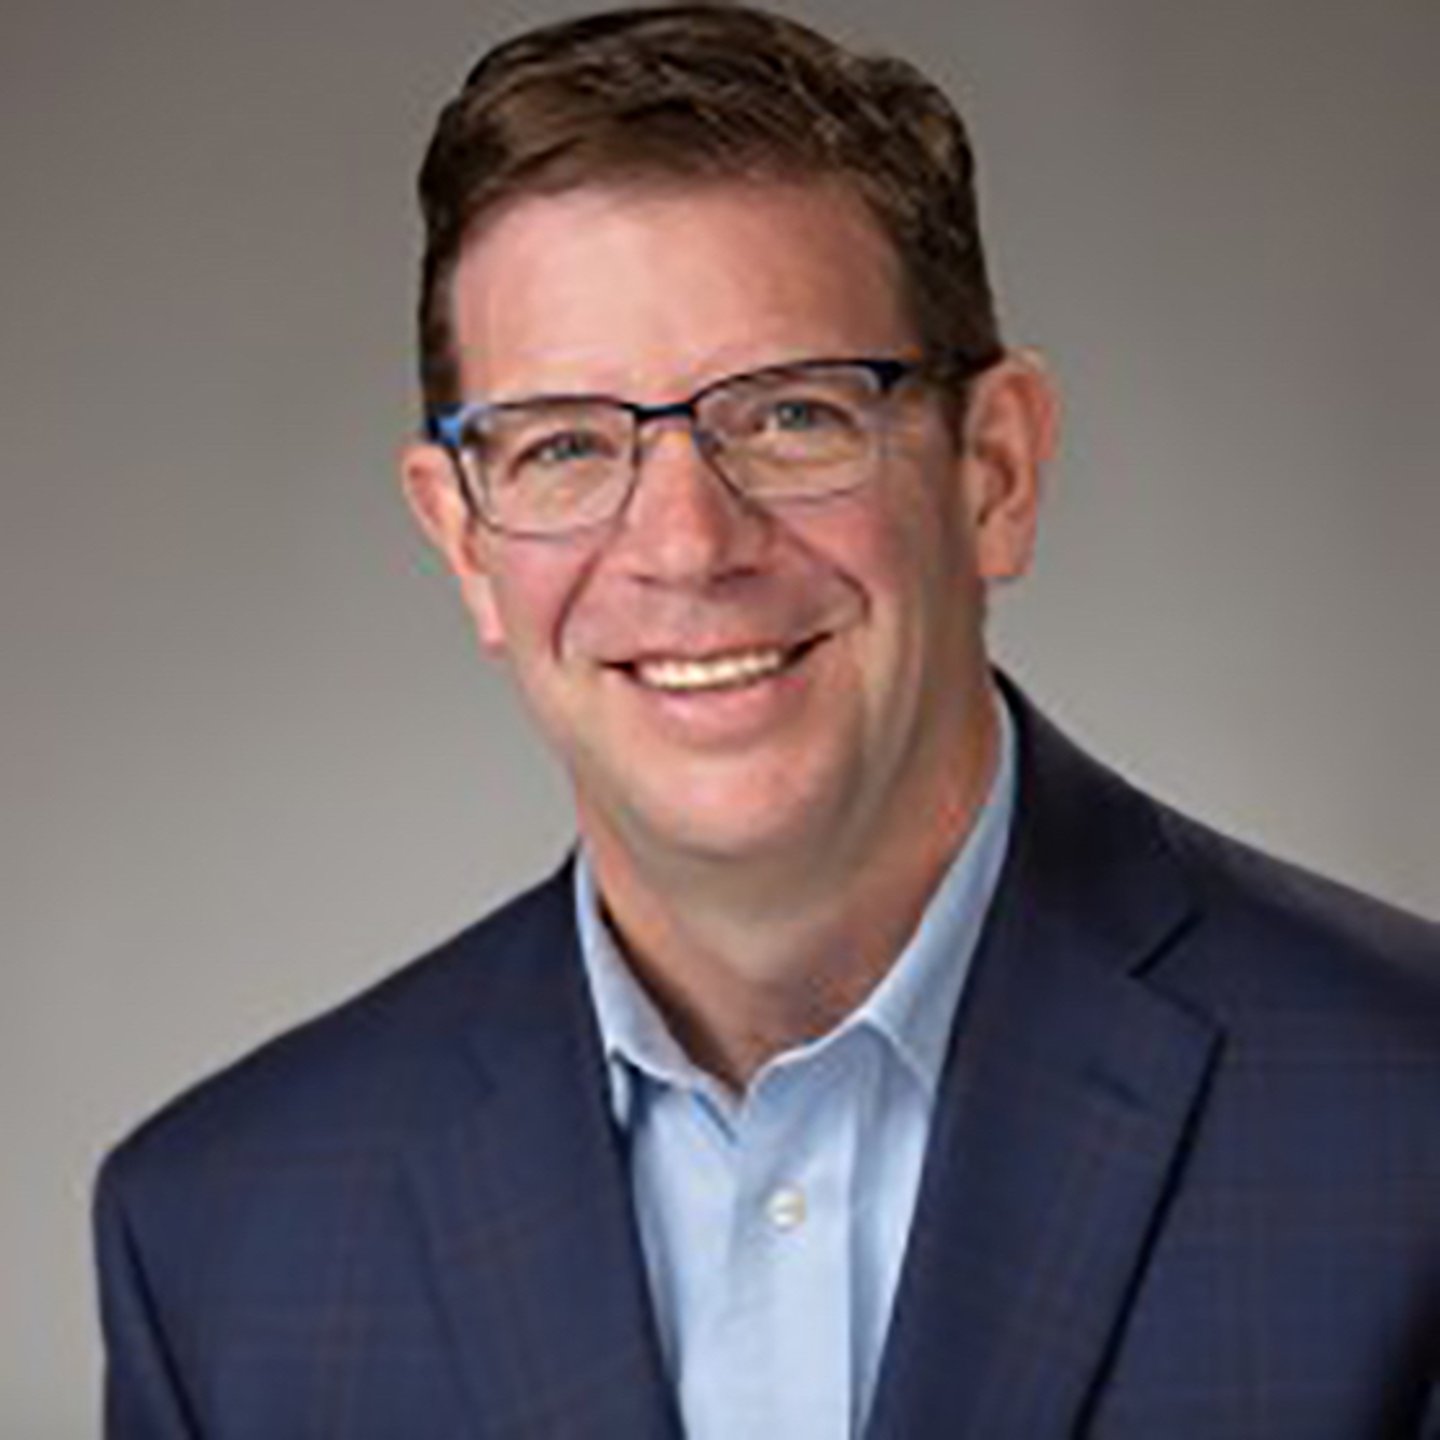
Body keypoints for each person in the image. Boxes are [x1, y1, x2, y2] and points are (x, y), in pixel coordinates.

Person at [93, 5, 1440, 1436]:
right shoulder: (221, 1250)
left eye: (791, 416)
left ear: (995, 470)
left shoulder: (1406, 1130)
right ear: (463, 539)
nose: (685, 544)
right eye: (563, 445)